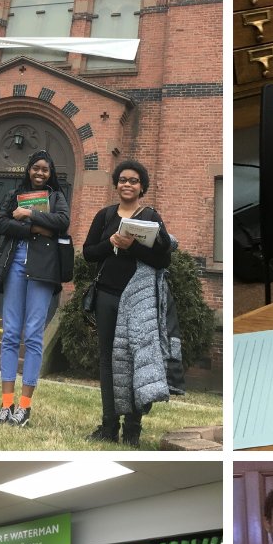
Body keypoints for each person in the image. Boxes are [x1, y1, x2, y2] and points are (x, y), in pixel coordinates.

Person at [82, 159, 173, 446]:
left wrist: (133, 246)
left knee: (136, 361)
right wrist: (112, 244)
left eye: (133, 180)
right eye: (122, 179)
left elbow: (164, 259)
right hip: (107, 296)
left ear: (142, 186)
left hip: (138, 301)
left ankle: (133, 427)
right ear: (116, 184)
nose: (127, 184)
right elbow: (88, 253)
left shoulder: (150, 217)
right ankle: (109, 424)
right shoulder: (105, 215)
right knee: (108, 361)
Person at [0, 150, 70, 429]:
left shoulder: (57, 197)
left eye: (45, 170)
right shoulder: (14, 194)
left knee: (34, 335)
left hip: (43, 270)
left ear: (50, 174)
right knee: (10, 333)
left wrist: (29, 214)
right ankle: (6, 403)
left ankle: (24, 407)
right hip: (14, 267)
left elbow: (62, 222)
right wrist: (33, 229)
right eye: (35, 168)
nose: (39, 173)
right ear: (28, 170)